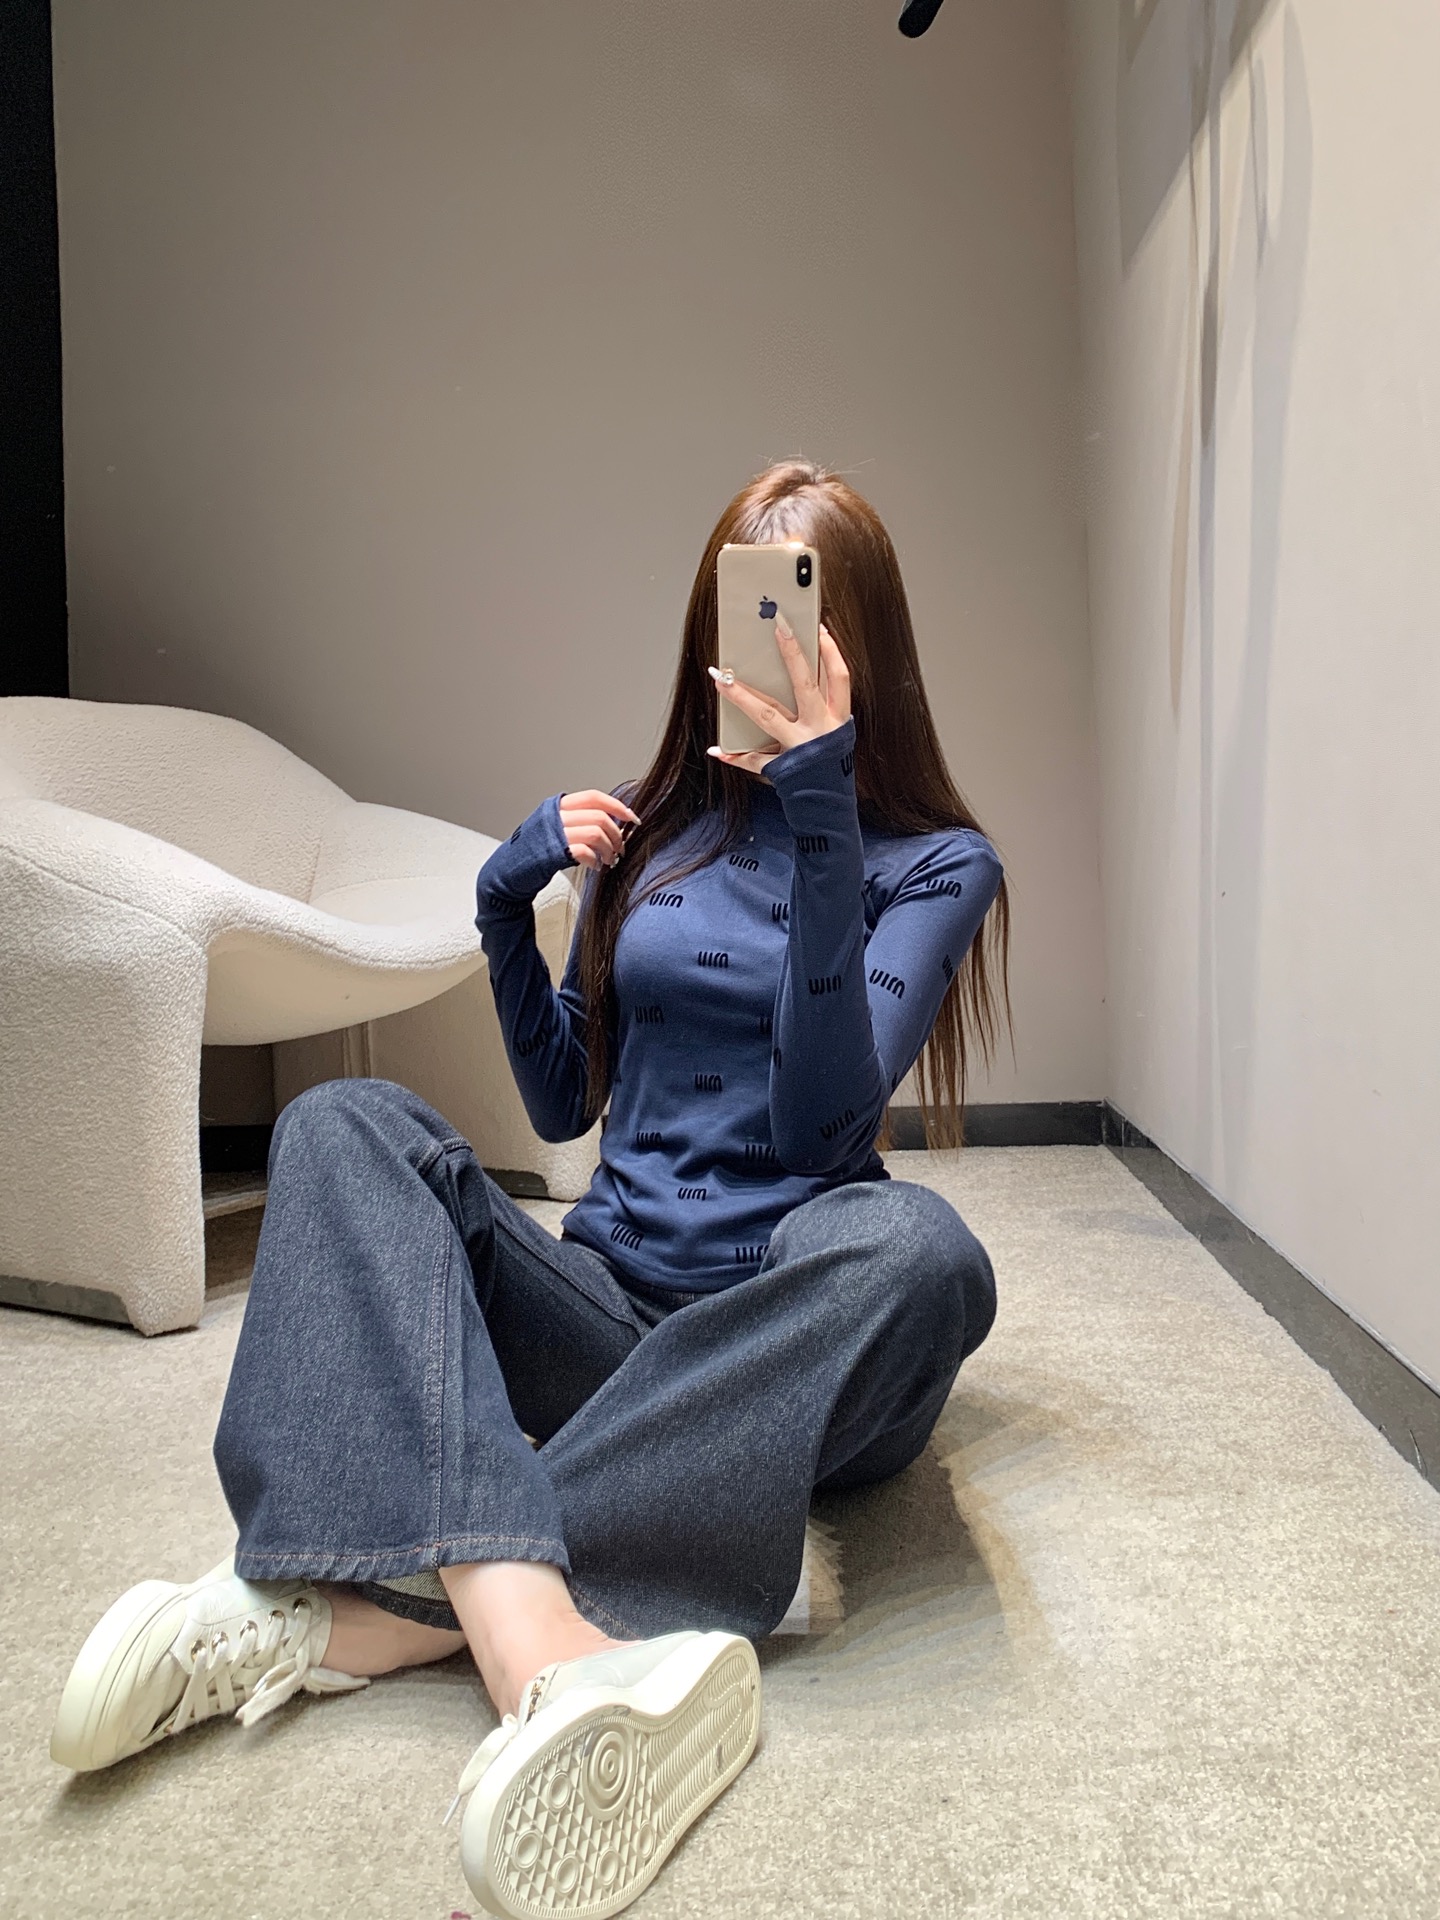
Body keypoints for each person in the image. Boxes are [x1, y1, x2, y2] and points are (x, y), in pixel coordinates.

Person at [49, 461, 1010, 1920]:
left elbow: (826, 1131)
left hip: (792, 1341)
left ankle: (375, 1606)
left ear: (863, 642)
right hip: (608, 1307)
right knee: (345, 1125)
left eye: (807, 617)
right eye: (746, 611)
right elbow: (566, 1108)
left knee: (926, 1254)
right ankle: (535, 1641)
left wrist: (819, 808)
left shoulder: (935, 862)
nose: (774, 649)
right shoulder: (651, 837)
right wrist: (507, 909)